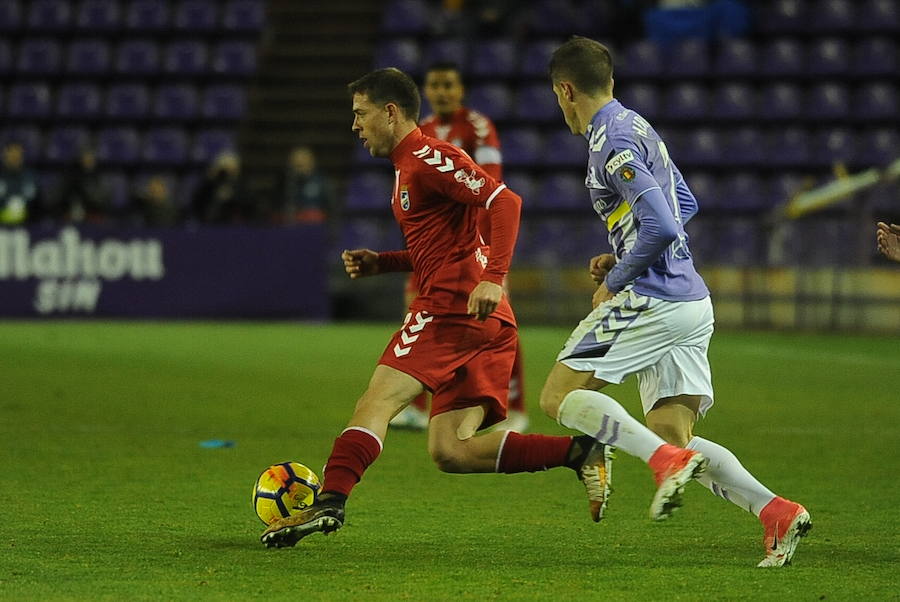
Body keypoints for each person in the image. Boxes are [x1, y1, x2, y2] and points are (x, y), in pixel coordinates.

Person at [260, 68, 701, 548]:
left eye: (360, 114)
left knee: (376, 402)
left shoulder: (428, 156)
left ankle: (329, 503)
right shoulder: (408, 168)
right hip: (483, 320)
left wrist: (492, 279)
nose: (355, 125)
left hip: (454, 309)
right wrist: (382, 263)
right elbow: (442, 247)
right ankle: (581, 451)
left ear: (390, 112)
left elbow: (504, 201)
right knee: (450, 450)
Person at [539, 36, 811, 568]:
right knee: (671, 430)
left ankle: (664, 463)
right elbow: (684, 202)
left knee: (558, 396)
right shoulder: (638, 125)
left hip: (654, 299)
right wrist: (622, 246)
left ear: (565, 90)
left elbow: (663, 222)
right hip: (691, 300)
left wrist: (620, 274)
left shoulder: (609, 141)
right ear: (610, 82)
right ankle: (776, 511)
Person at [390, 61, 529, 433]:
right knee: (415, 313)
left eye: (448, 84)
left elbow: (493, 191)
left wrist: (489, 260)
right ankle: (417, 406)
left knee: (499, 322)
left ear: (461, 89)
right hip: (436, 251)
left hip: (478, 246)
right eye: (435, 85)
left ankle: (515, 407)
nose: (442, 92)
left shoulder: (479, 128)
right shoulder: (422, 132)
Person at [275, 146, 334, 224]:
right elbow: (277, 209)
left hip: (317, 227)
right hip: (292, 227)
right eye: (296, 164)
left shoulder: (323, 182)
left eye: (303, 163)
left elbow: (333, 209)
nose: (300, 166)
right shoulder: (283, 183)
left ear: (312, 162)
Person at [55, 148, 110, 223]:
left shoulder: (99, 175)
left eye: (91, 158)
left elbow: (101, 198)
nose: (88, 161)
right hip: (71, 210)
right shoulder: (72, 175)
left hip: (93, 210)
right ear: (81, 159)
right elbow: (65, 194)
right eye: (86, 158)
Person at [190, 151, 246, 223]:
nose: (223, 175)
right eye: (221, 172)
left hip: (228, 222)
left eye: (226, 173)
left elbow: (240, 203)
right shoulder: (207, 186)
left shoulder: (237, 185)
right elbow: (198, 202)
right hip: (208, 221)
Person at [0, 141, 39, 225]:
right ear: (4, 156)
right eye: (11, 154)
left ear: (22, 156)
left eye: (17, 155)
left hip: (27, 225)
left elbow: (38, 203)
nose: (14, 157)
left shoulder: (30, 177)